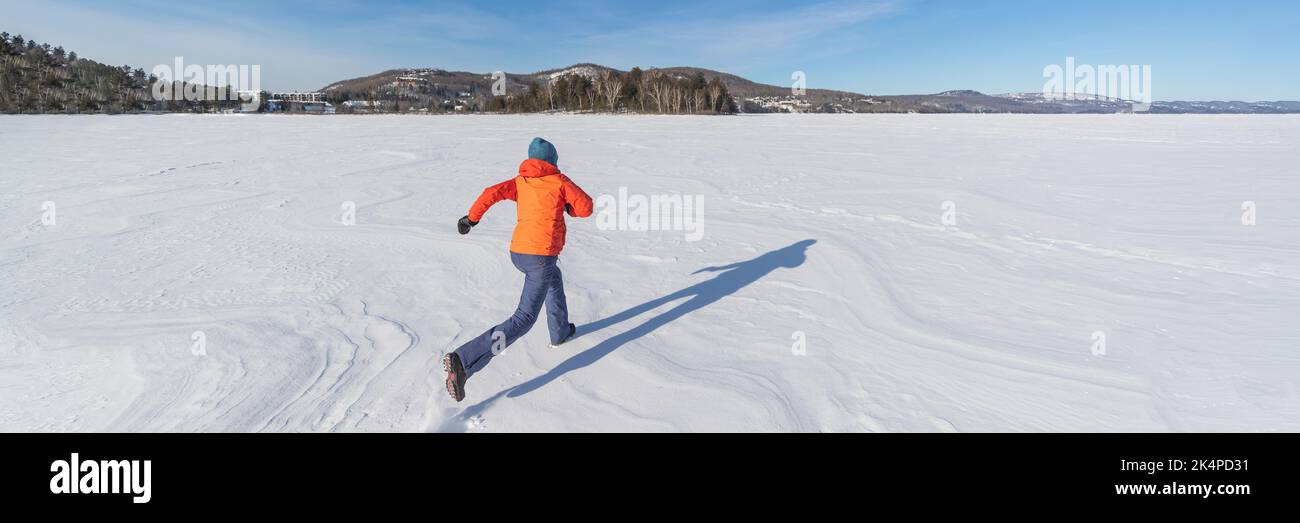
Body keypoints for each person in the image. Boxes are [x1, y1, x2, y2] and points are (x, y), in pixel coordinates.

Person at [444, 137, 594, 402]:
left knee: (553, 279)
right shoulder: (559, 182)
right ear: (552, 161)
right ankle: (463, 361)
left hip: (519, 253)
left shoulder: (520, 182)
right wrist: (567, 207)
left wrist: (471, 219)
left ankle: (560, 332)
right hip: (540, 257)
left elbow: (491, 192)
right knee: (523, 319)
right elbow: (586, 207)